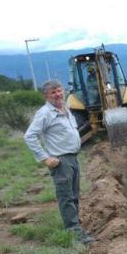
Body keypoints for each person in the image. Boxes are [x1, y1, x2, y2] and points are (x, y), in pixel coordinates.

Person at [24, 79, 94, 244]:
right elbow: (29, 136)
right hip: (60, 161)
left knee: (74, 195)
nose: (57, 94)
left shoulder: (65, 109)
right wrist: (45, 158)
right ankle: (74, 233)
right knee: (66, 197)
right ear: (46, 96)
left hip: (73, 158)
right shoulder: (45, 113)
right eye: (53, 92)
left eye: (59, 90)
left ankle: (76, 227)